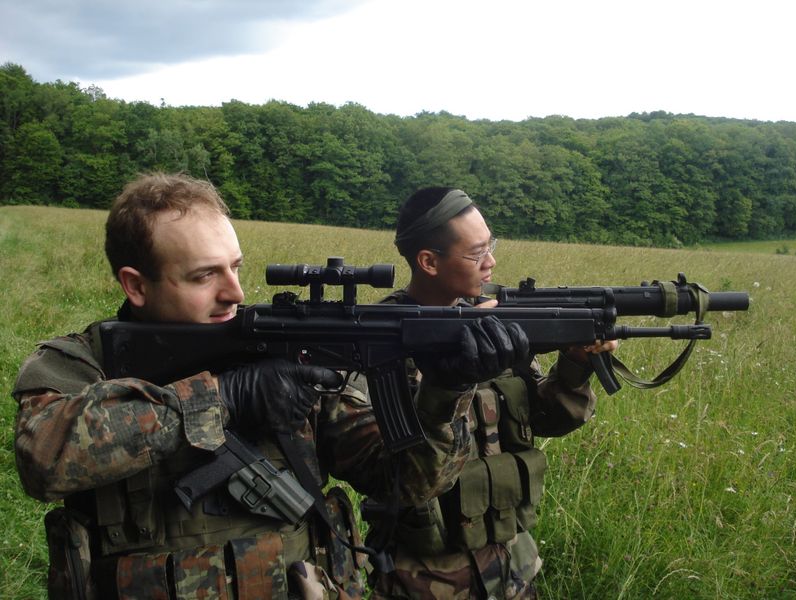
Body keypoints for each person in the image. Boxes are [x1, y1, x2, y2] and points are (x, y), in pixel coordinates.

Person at [12, 173, 525, 599]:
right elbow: (45, 457)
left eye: (235, 268)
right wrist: (226, 396)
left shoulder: (281, 355)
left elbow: (406, 483)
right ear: (135, 285)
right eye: (202, 276)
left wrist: (441, 394)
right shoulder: (82, 363)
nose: (234, 293)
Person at [364, 187, 618, 599]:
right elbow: (396, 481)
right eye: (477, 252)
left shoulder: (494, 322)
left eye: (491, 246)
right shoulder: (381, 345)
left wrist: (575, 365)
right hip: (422, 583)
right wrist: (444, 386)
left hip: (513, 572)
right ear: (428, 261)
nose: (492, 262)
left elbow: (542, 418)